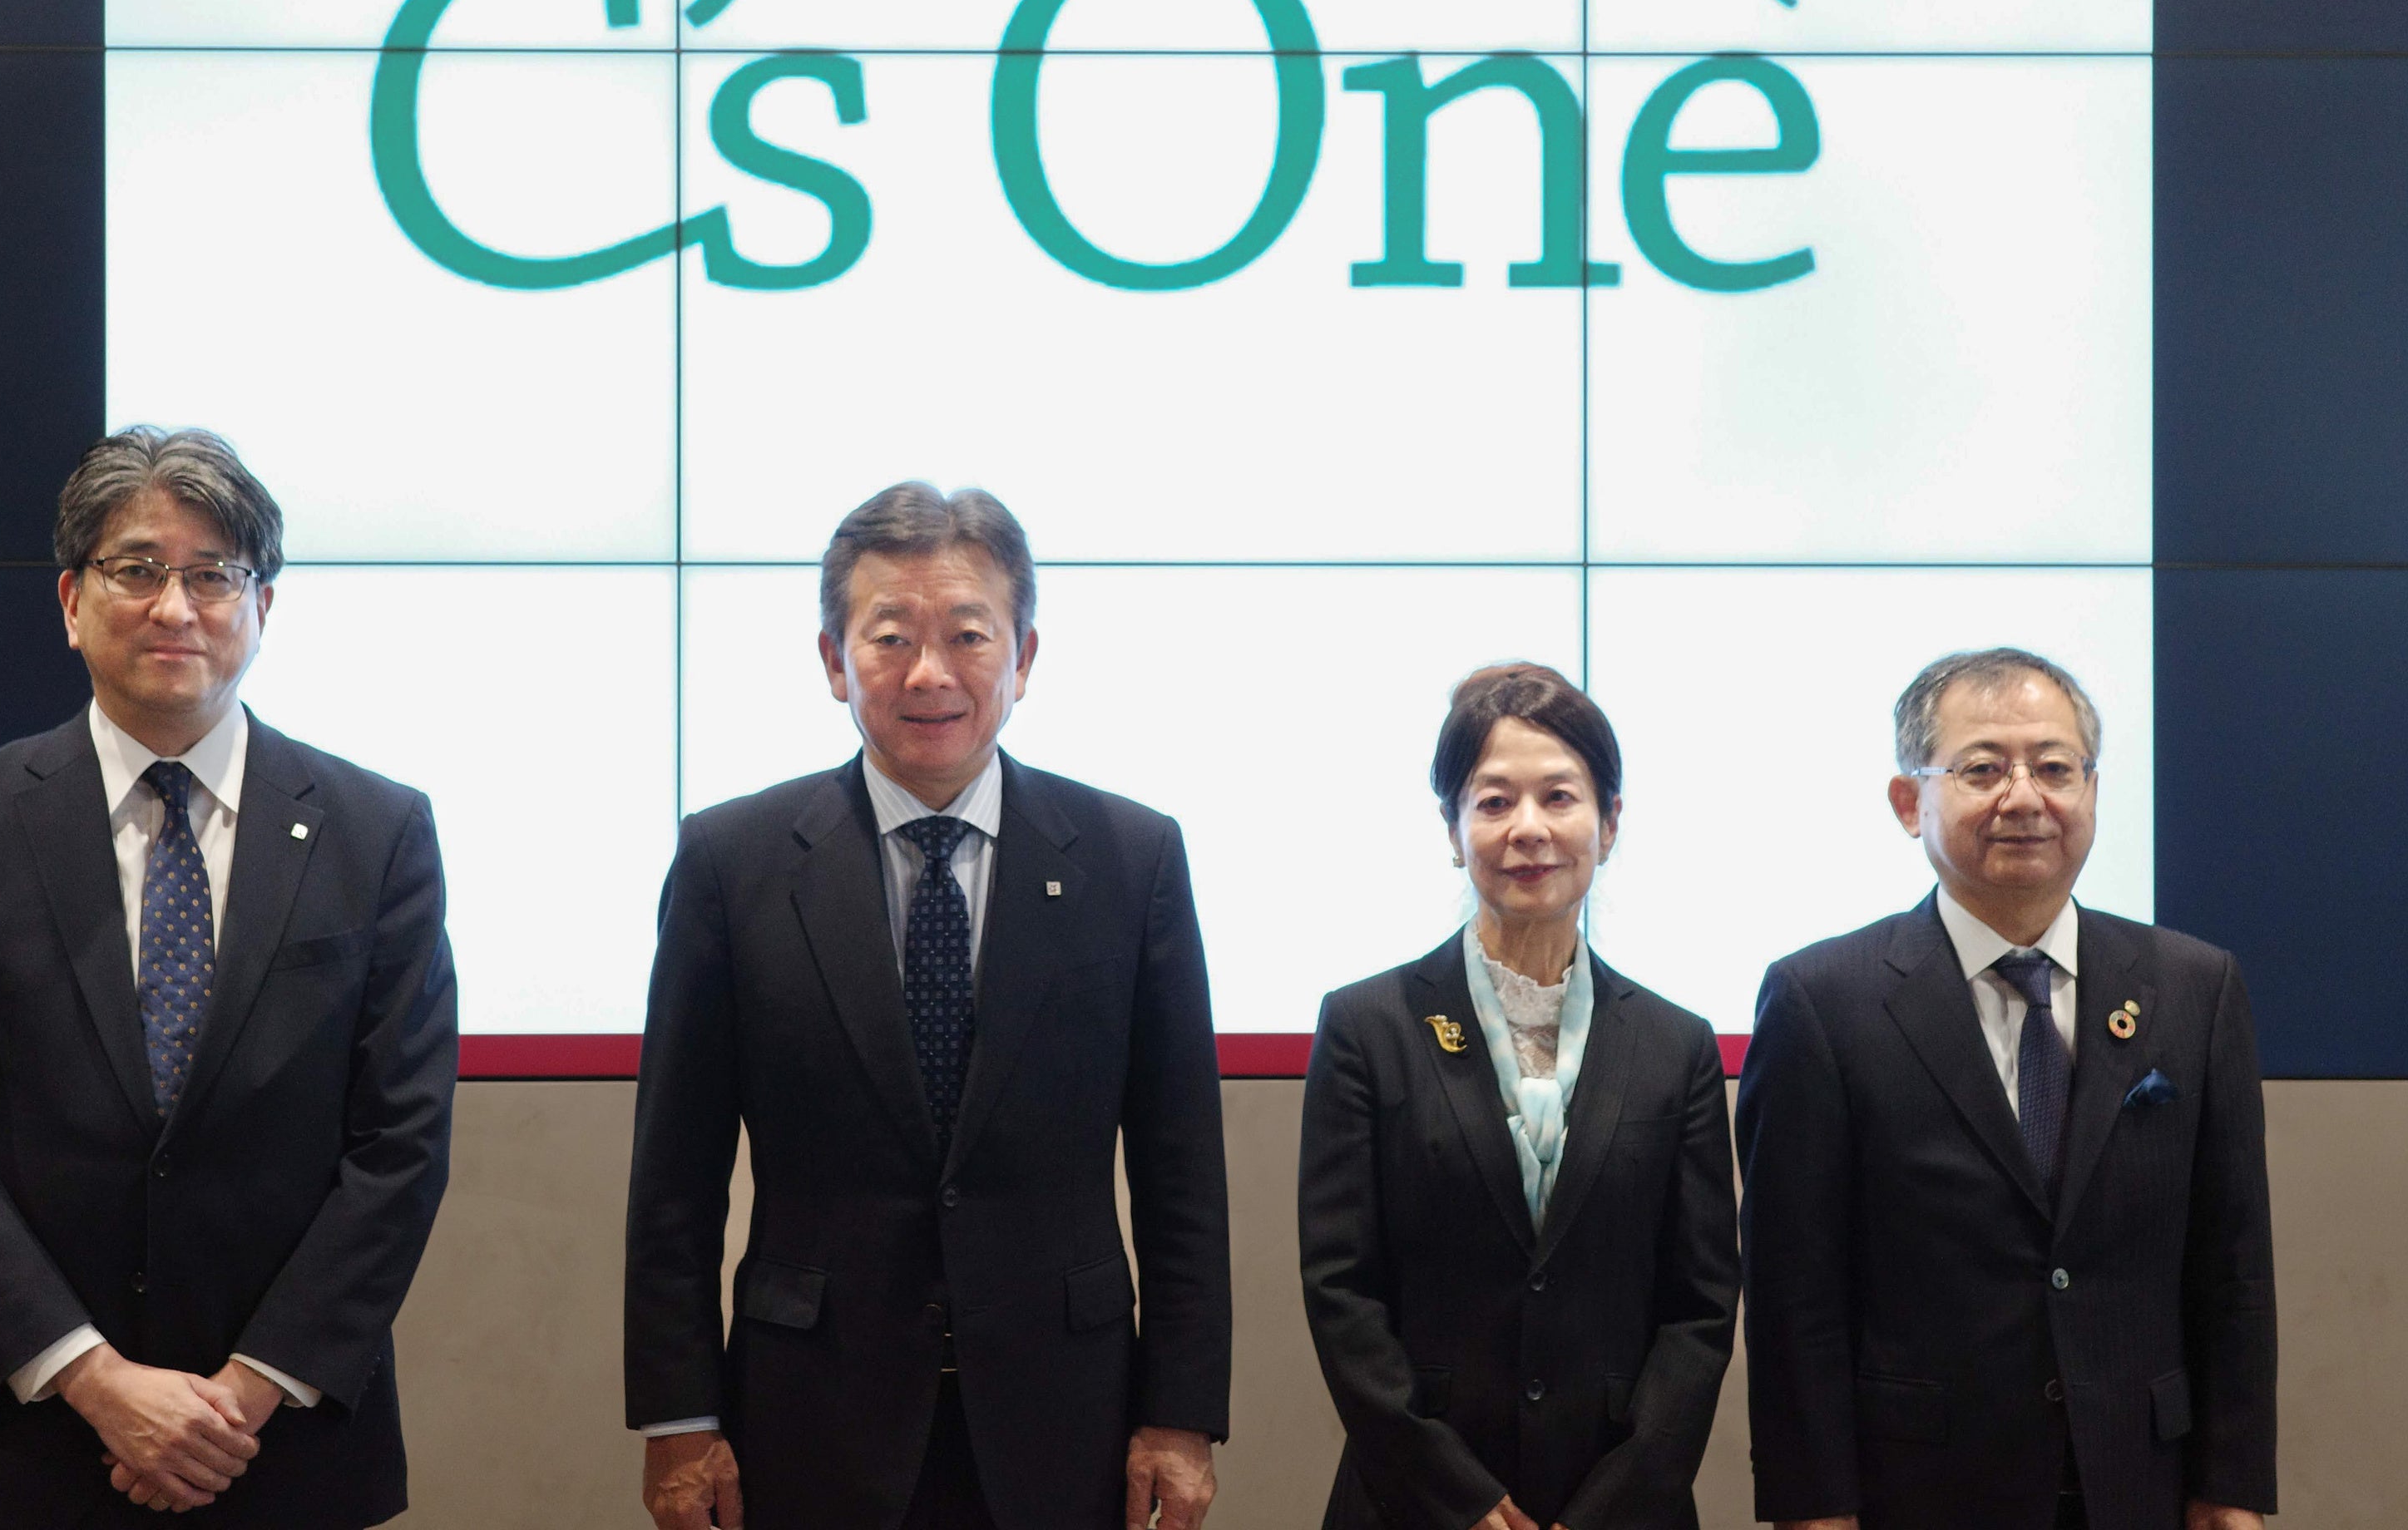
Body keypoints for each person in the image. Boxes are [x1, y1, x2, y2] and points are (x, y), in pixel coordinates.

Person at [0, 427, 458, 1527]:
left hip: (278, 1450)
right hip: (17, 1445)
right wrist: (96, 1381)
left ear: (261, 607)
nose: (175, 607)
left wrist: (241, 1398)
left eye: (213, 575)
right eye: (137, 569)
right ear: (72, 600)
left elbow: (400, 1147)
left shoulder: (378, 831)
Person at [624, 481, 1231, 1530]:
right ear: (833, 659)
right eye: (891, 636)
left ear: (1023, 657)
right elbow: (674, 1176)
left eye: (968, 634)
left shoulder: (1132, 859)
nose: (930, 672)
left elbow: (1183, 1173)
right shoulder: (733, 860)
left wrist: (1180, 1413)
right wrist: (680, 1415)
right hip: (810, 1409)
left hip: (1065, 1413)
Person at [1735, 648, 2275, 1530]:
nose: (2024, 797)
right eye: (1982, 769)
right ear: (1908, 801)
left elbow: (2233, 1263)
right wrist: (1813, 1506)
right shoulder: (1822, 1000)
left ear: (2092, 789)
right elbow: (1795, 1293)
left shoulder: (2194, 987)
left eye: (2055, 768)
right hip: (1921, 1487)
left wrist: (2232, 1482)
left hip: (2139, 1479)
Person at [1298, 662, 1738, 1530]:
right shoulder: (1367, 1026)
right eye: (1495, 801)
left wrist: (1615, 1504)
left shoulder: (1675, 1044)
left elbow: (1700, 1308)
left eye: (1560, 797)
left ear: (1610, 822)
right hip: (1415, 1504)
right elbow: (1341, 1292)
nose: (1528, 828)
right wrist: (1455, 1497)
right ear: (1453, 827)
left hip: (1617, 1503)